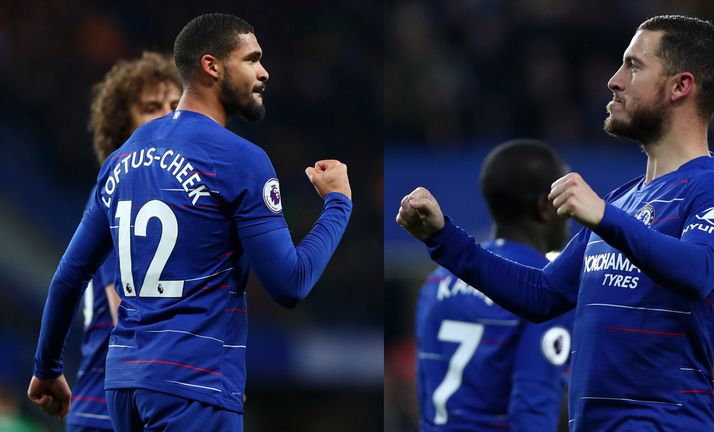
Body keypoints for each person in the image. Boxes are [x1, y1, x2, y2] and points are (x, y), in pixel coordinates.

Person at [397, 15, 714, 431]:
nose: (614, 80)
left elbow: (701, 270)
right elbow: (542, 293)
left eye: (634, 66)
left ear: (681, 86)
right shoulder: (625, 199)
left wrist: (605, 217)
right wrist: (443, 237)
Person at [28, 13, 352, 431]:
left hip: (124, 388)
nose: (264, 72)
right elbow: (289, 283)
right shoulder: (240, 160)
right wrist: (338, 204)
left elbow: (70, 275)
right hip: (194, 386)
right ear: (211, 66)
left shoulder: (122, 159)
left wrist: (48, 367)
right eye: (251, 60)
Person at [415, 140, 574, 431]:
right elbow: (532, 409)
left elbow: (425, 391)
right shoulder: (546, 286)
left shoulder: (436, 281)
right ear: (545, 207)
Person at [66, 52, 182, 432]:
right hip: (113, 411)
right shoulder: (126, 196)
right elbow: (130, 314)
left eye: (174, 104)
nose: (167, 114)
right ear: (122, 127)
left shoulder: (171, 197)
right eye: (151, 107)